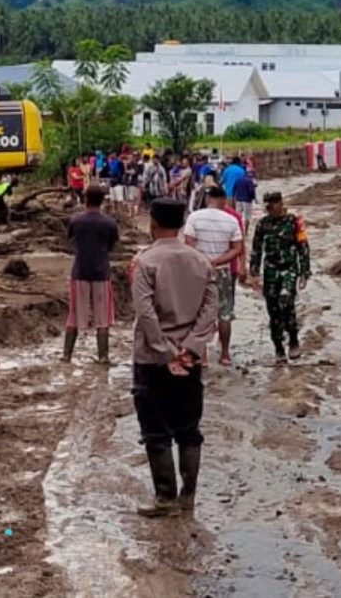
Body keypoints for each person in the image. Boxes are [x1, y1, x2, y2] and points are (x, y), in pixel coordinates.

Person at [130, 198, 217, 517]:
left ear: (152, 223)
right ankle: (188, 497)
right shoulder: (201, 261)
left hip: (152, 360)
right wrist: (190, 347)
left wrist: (166, 352)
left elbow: (145, 312)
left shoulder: (145, 262)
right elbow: (210, 309)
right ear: (181, 224)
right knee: (189, 430)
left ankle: (165, 499)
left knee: (156, 432)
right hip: (190, 361)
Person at [184, 186, 244, 367]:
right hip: (223, 271)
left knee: (200, 313)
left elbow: (188, 245)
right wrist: (217, 261)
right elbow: (237, 248)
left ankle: (202, 357)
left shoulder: (194, 217)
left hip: (199, 271)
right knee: (224, 314)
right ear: (223, 200)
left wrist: (204, 261)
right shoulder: (231, 220)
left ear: (207, 198)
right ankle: (225, 354)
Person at [248, 192, 312, 362]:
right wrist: (254, 273)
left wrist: (305, 271)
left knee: (287, 303)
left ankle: (293, 340)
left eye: (273, 206)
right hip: (270, 271)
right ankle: (278, 347)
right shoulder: (263, 224)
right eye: (267, 207)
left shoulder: (294, 222)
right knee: (273, 309)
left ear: (281, 204)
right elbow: (256, 249)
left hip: (289, 269)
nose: (270, 210)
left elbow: (303, 246)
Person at [63, 185, 119, 365]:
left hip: (79, 272)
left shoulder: (76, 220)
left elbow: (70, 240)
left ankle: (67, 356)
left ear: (85, 199)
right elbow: (112, 246)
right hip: (102, 273)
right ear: (102, 201)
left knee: (73, 315)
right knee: (103, 319)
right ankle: (103, 357)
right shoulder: (109, 223)